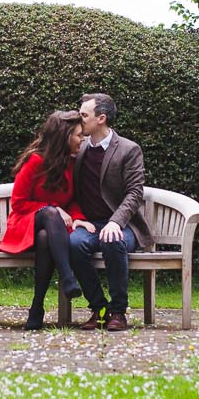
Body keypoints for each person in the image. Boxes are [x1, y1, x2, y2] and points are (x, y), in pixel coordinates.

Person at [0, 109, 93, 330]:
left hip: (51, 232)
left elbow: (74, 201)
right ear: (64, 136)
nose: (82, 139)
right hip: (23, 223)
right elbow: (19, 203)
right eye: (79, 135)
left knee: (44, 238)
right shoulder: (35, 161)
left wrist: (77, 218)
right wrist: (53, 208)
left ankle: (37, 307)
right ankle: (67, 277)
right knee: (49, 214)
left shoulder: (71, 163)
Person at [68, 91, 153, 331]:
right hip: (90, 225)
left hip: (122, 225)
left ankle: (118, 311)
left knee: (112, 241)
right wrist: (76, 218)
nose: (79, 119)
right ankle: (99, 308)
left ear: (101, 118)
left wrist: (116, 222)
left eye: (84, 115)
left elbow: (135, 192)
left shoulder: (128, 149)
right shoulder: (79, 148)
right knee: (73, 244)